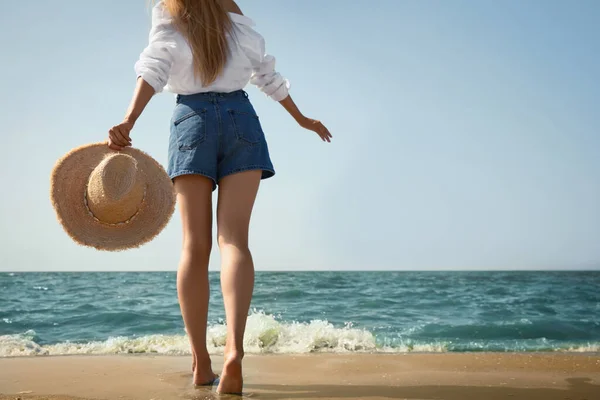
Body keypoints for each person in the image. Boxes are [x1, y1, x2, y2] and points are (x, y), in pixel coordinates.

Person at [107, 0, 332, 395]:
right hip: (241, 118)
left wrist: (128, 120)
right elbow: (268, 76)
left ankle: (200, 363)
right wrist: (301, 119)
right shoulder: (235, 17)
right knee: (235, 241)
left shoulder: (169, 13)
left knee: (195, 247)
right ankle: (234, 352)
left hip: (191, 119)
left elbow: (153, 69)